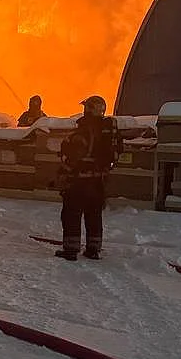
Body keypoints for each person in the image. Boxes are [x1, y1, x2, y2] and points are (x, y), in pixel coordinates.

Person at [55, 95, 120, 262]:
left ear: (90, 109)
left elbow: (74, 156)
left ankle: (71, 250)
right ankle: (93, 249)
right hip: (98, 182)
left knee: (71, 214)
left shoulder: (85, 130)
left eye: (86, 108)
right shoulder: (107, 131)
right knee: (94, 215)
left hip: (79, 181)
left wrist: (64, 173)